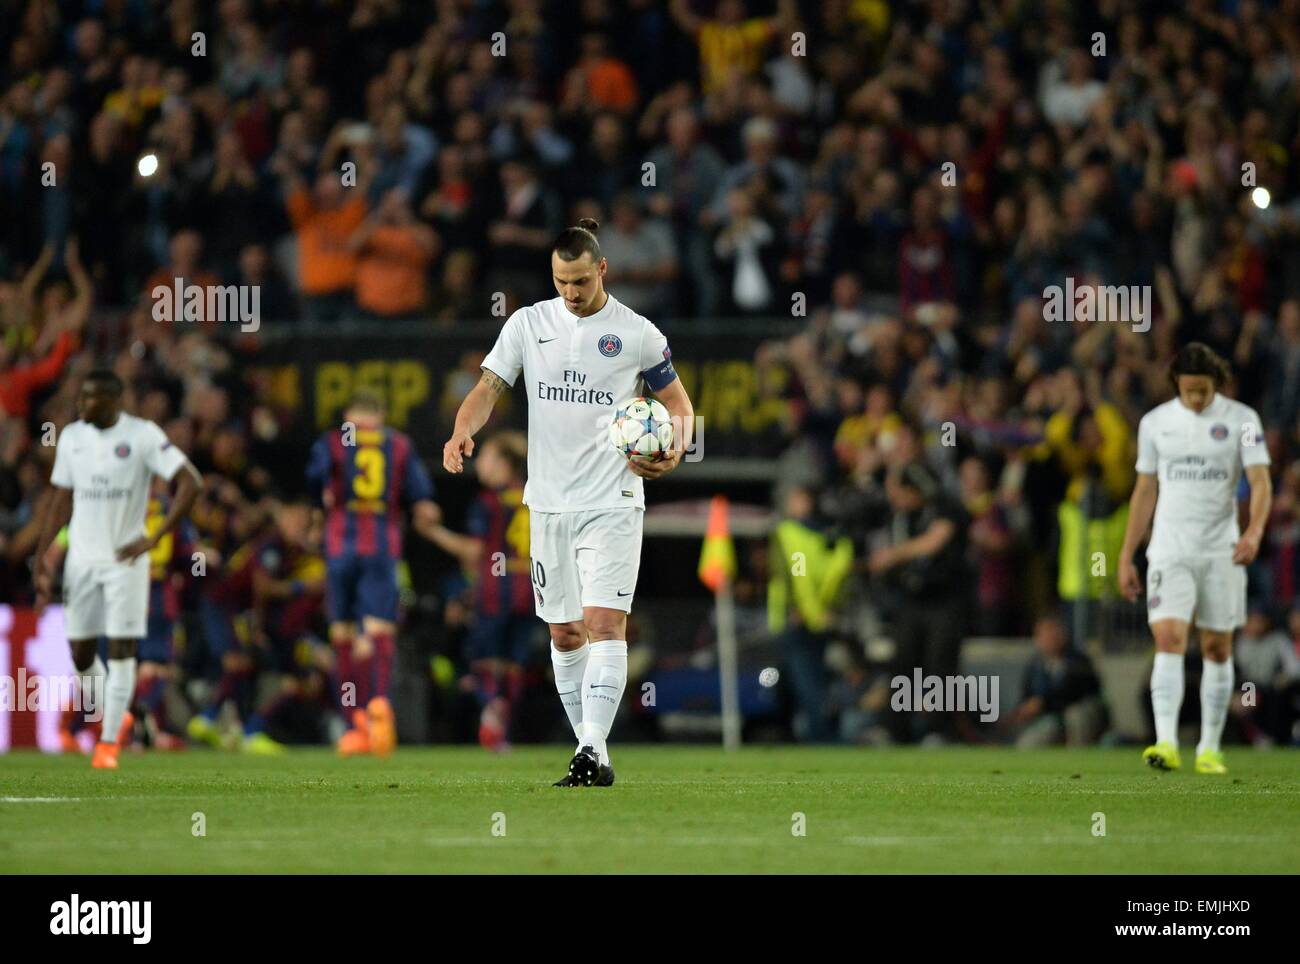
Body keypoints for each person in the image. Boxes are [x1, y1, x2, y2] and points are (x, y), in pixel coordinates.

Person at [443, 217, 694, 786]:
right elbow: (487, 389)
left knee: (605, 624)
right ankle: (595, 757)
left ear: (601, 269)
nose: (571, 293)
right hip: (549, 503)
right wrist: (462, 430)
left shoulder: (637, 333)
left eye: (580, 281)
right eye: (560, 282)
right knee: (563, 633)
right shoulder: (529, 324)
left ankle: (587, 751)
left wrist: (675, 451)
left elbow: (679, 407)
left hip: (614, 498)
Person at [33, 369, 203, 770]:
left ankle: (108, 743)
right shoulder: (73, 438)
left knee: (125, 652)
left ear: (112, 401)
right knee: (81, 653)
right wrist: (42, 555)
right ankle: (119, 712)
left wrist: (154, 536)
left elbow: (190, 481)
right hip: (82, 561)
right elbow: (61, 499)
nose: (80, 406)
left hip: (127, 561)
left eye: (88, 399)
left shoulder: (142, 436)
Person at [1119, 343, 1273, 774]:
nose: (1197, 400)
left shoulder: (1242, 421)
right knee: (1168, 638)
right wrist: (1126, 554)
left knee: (1216, 648)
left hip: (1221, 550)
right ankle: (1166, 742)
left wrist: (1255, 531)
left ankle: (1209, 747)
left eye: (1204, 391)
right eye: (1189, 391)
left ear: (1216, 384)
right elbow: (1145, 489)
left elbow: (1260, 481)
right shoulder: (1155, 424)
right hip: (1170, 549)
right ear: (1176, 386)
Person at [306, 390, 440, 757]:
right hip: (382, 547)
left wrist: (321, 511)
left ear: (349, 413)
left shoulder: (334, 441)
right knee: (379, 631)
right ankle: (380, 704)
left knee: (343, 634)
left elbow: (315, 482)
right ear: (379, 413)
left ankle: (354, 724)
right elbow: (422, 499)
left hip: (339, 547)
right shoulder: (397, 444)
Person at [424, 431, 536, 751]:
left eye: (485, 456)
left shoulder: (488, 502)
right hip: (529, 586)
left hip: (496, 589)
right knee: (514, 661)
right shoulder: (534, 495)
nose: (480, 464)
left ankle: (492, 712)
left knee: (484, 659)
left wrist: (433, 533)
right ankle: (503, 730)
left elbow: (474, 552)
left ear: (503, 463)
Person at [1006, 615, 1107, 747]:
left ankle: (1079, 758)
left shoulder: (1078, 660)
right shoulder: (1034, 666)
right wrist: (1021, 710)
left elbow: (1073, 691)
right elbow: (1026, 695)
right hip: (1051, 719)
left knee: (1076, 717)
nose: (1051, 640)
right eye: (1046, 636)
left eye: (1054, 635)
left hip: (1080, 714)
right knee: (1029, 742)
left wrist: (1042, 702)